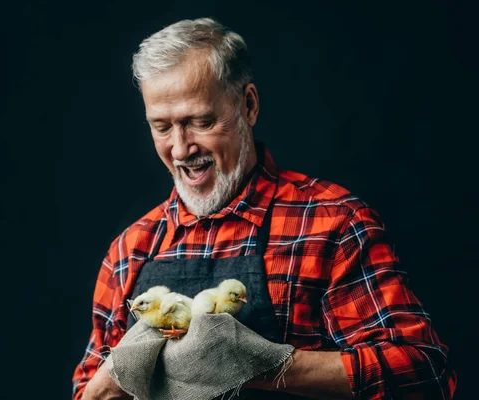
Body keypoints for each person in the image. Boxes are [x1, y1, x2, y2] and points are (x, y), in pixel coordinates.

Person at [72, 18, 457, 400]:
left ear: (249, 105)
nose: (180, 148)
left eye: (201, 121)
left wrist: (268, 364)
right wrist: (112, 379)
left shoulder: (332, 222)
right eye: (161, 127)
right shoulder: (131, 250)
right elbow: (88, 393)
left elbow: (422, 375)